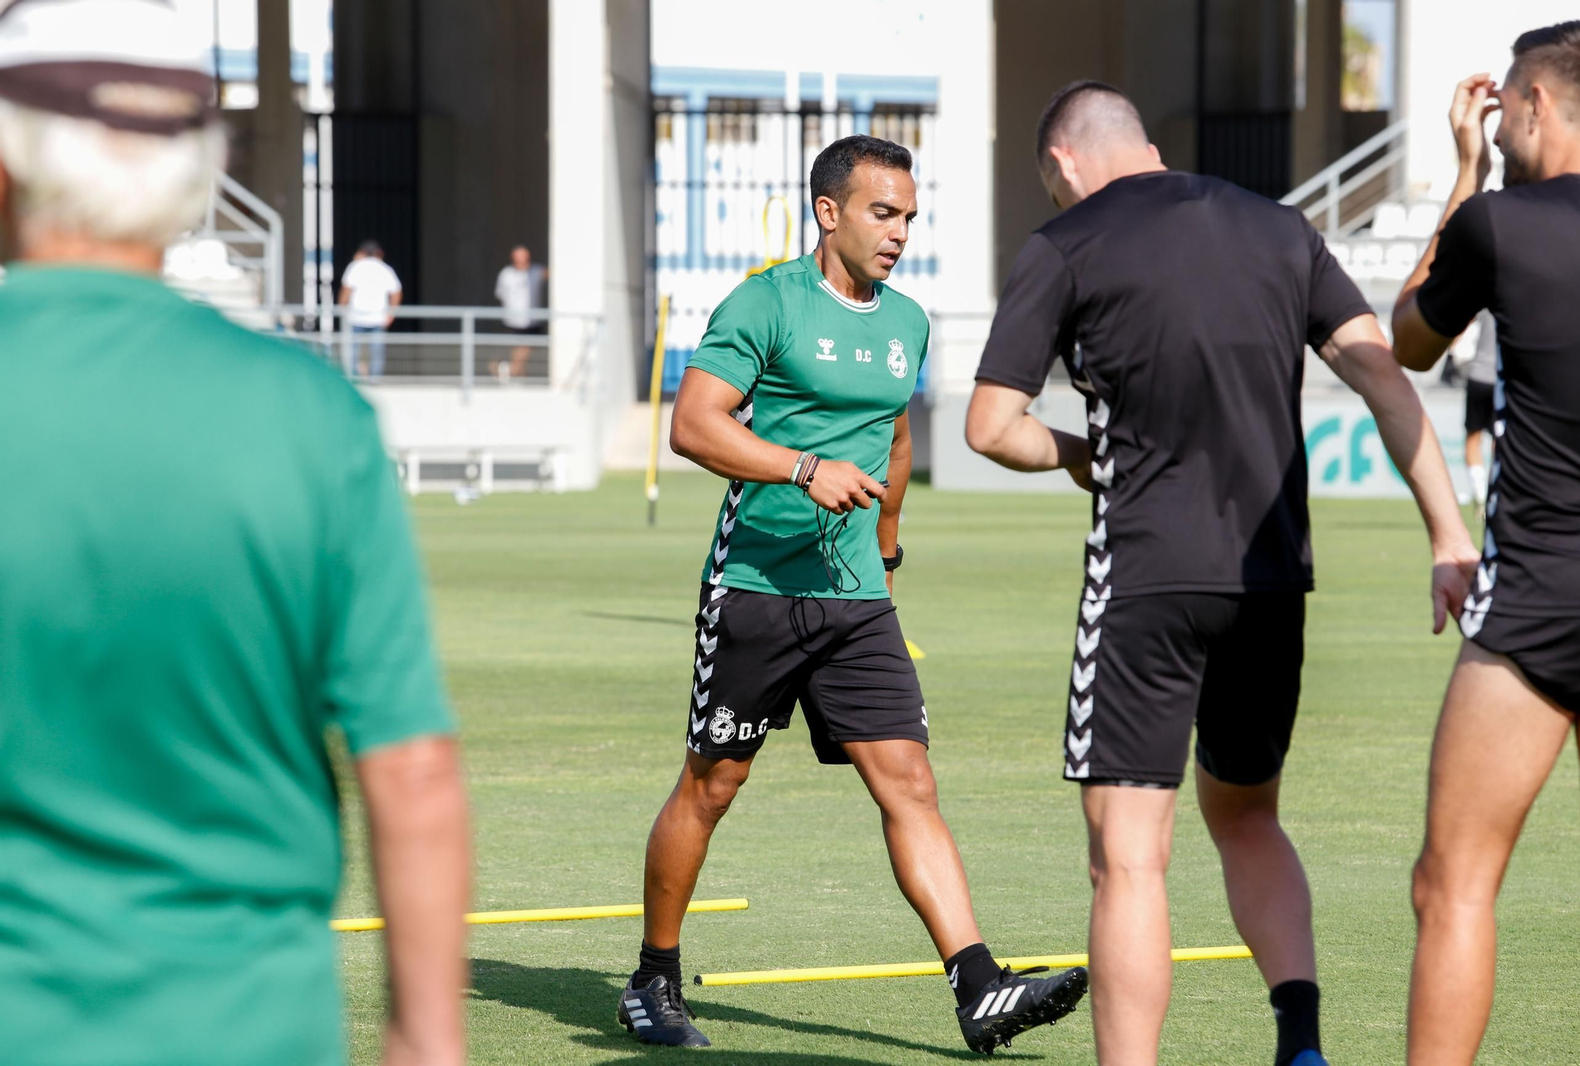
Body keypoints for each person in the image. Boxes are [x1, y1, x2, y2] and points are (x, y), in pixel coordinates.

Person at [964, 82, 1475, 1066]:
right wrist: (1447, 535)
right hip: (1270, 579)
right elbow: (1383, 376)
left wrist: (1077, 453)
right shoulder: (1280, 229)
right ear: (1144, 145)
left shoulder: (1061, 246)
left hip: (1145, 580)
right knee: (1247, 816)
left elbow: (990, 427)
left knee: (1128, 858)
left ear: (1064, 164)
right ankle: (1300, 1043)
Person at [0, 4, 472, 1064]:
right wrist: (428, 1039)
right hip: (250, 1022)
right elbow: (410, 769)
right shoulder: (310, 419)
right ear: (196, 170)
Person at [617, 134, 1088, 1055]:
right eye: (884, 212)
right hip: (755, 584)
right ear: (829, 212)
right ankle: (652, 979)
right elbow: (692, 425)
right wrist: (800, 469)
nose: (900, 232)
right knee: (713, 786)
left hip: (857, 599)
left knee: (910, 782)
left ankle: (979, 985)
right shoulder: (766, 302)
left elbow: (896, 439)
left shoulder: (907, 322)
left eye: (910, 216)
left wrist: (887, 542)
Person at [1389, 24, 1580, 1066]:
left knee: (1454, 880)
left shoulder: (1499, 224)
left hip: (1541, 595)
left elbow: (1406, 339)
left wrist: (1465, 172)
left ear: (1531, 106)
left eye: (1507, 111)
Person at [339, 238, 402, 379]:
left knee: (353, 351)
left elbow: (346, 291)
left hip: (356, 316)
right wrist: (391, 313)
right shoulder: (385, 268)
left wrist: (343, 309)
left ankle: (353, 378)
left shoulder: (355, 267)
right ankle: (375, 378)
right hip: (378, 317)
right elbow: (396, 292)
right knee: (377, 351)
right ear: (379, 253)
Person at [492, 244, 548, 380]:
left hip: (532, 320)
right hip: (513, 321)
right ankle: (515, 372)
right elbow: (500, 294)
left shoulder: (535, 270)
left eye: (526, 258)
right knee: (518, 350)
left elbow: (549, 273)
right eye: (521, 258)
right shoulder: (506, 274)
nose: (524, 261)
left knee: (526, 349)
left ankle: (512, 371)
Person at [1461, 311, 1497, 519]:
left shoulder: (1486, 299)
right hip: (1501, 379)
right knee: (1499, 442)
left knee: (1472, 440)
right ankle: (1493, 494)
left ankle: (1480, 495)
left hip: (1477, 376)